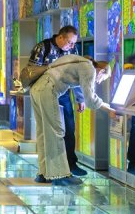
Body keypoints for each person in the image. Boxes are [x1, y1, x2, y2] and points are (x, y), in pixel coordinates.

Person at [31, 55, 116, 185]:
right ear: (101, 71)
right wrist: (108, 108)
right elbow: (90, 100)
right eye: (103, 78)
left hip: (36, 89)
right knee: (56, 131)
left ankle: (44, 173)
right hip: (48, 90)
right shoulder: (89, 68)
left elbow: (79, 88)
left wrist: (79, 100)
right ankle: (60, 175)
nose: (99, 82)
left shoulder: (80, 61)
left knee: (43, 132)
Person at [28, 25, 87, 177]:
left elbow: (77, 75)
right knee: (49, 131)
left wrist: (80, 98)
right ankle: (50, 170)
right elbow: (31, 72)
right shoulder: (42, 48)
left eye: (74, 43)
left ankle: (71, 164)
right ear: (60, 37)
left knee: (69, 129)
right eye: (69, 42)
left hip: (64, 93)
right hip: (44, 92)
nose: (72, 46)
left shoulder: (72, 51)